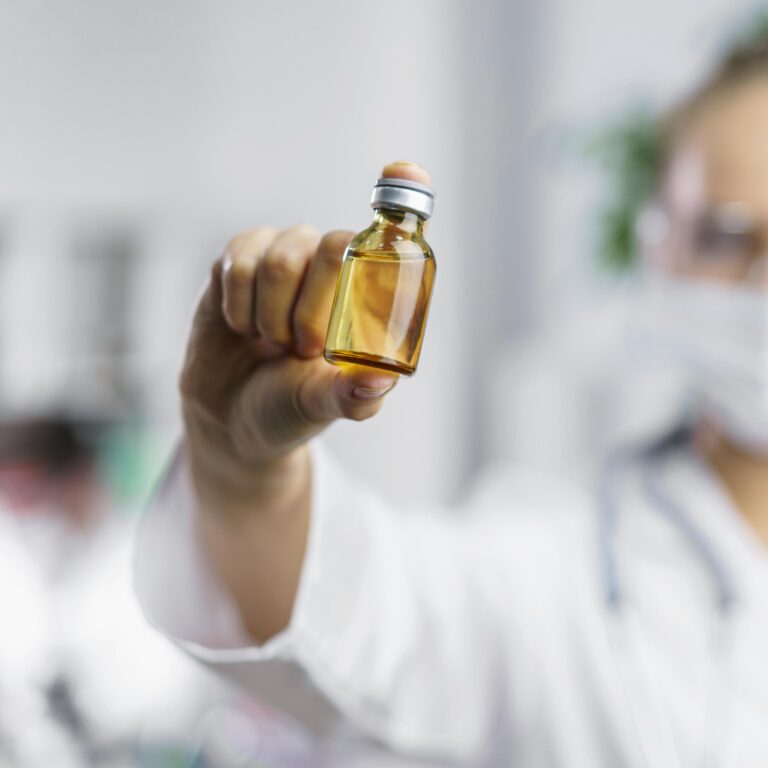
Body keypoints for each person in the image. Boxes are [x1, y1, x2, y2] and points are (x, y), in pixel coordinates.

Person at [134, 33, 768, 768]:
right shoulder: (550, 569)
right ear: (655, 252)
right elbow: (366, 624)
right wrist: (240, 473)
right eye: (727, 239)